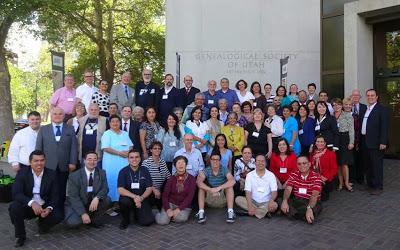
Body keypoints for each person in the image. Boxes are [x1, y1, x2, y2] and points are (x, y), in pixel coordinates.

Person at [9, 150, 63, 247]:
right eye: (36, 161)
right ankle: (20, 236)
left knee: (58, 214)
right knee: (14, 207)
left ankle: (43, 224)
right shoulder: (22, 173)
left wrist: (49, 208)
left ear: (45, 161)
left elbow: (55, 195)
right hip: (28, 205)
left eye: (42, 160)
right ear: (30, 162)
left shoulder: (52, 174)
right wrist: (32, 202)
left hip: (44, 205)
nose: (39, 163)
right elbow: (16, 193)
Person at [36, 107, 77, 210]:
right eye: (55, 114)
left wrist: (73, 162)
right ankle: (46, 210)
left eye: (60, 114)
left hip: (64, 165)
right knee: (47, 189)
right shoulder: (43, 129)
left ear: (63, 116)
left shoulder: (70, 129)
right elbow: (38, 148)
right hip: (48, 165)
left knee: (61, 189)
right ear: (51, 115)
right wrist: (38, 163)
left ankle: (60, 210)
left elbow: (73, 147)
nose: (57, 116)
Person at [64, 151, 111, 228]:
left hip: (92, 202)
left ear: (97, 161)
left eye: (95, 159)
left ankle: (93, 219)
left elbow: (105, 188)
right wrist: (83, 213)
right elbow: (73, 197)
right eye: (89, 159)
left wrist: (97, 198)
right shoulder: (74, 176)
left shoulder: (102, 173)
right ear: (84, 161)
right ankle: (84, 215)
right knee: (73, 223)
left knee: (107, 199)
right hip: (79, 202)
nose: (92, 162)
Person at [101, 115, 133, 213]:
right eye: (113, 121)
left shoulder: (125, 133)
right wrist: (119, 153)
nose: (115, 123)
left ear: (120, 123)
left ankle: (122, 203)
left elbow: (131, 145)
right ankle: (111, 204)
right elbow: (105, 148)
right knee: (112, 181)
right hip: (111, 164)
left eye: (117, 121)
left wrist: (128, 152)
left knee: (123, 181)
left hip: (124, 163)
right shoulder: (107, 134)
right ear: (109, 123)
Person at [361, 89, 388, 195]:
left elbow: (384, 127)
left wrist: (383, 142)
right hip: (365, 141)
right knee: (368, 164)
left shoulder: (382, 109)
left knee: (376, 165)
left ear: (376, 97)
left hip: (376, 142)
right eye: (368, 95)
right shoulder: (366, 109)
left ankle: (378, 186)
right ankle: (370, 185)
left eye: (372, 95)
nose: (370, 97)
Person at [196, 151, 236, 224]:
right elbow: (199, 182)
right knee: (201, 188)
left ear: (220, 161)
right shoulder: (207, 170)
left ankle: (230, 212)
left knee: (230, 187)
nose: (215, 161)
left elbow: (232, 181)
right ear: (210, 161)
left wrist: (219, 188)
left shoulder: (224, 169)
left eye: (217, 159)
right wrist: (210, 189)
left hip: (222, 198)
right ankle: (201, 212)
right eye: (213, 159)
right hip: (210, 197)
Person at [118, 149, 154, 229]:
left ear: (140, 159)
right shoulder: (123, 171)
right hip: (129, 199)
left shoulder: (145, 170)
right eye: (131, 157)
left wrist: (141, 198)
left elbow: (149, 188)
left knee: (147, 222)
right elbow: (120, 190)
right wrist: (135, 197)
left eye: (137, 157)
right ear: (128, 159)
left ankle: (137, 213)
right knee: (124, 201)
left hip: (142, 198)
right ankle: (126, 220)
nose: (134, 159)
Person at [281, 155, 322, 224]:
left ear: (309, 164)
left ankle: (294, 213)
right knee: (281, 199)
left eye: (304, 163)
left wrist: (309, 208)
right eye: (299, 164)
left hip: (310, 201)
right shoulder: (294, 174)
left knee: (315, 208)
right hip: (297, 200)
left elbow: (314, 195)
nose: (302, 165)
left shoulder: (316, 176)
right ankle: (302, 215)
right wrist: (285, 201)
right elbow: (288, 189)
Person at [155, 156, 196, 225]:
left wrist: (178, 209)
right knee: (162, 221)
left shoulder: (191, 179)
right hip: (171, 203)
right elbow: (165, 196)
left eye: (183, 162)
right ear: (175, 166)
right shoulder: (171, 179)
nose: (181, 164)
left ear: (186, 165)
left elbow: (189, 197)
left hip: (184, 206)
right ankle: (156, 213)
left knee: (181, 218)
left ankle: (170, 216)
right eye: (178, 163)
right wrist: (168, 209)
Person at [235, 154, 278, 219]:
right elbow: (248, 192)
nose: (260, 163)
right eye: (258, 161)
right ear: (255, 163)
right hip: (253, 201)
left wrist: (271, 201)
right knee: (238, 199)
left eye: (262, 161)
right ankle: (261, 213)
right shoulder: (250, 175)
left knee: (274, 205)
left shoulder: (271, 175)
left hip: (266, 202)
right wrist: (249, 205)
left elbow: (274, 191)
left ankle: (251, 212)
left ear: (266, 163)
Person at [332, 98, 355, 192]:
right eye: (334, 105)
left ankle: (346, 183)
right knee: (338, 163)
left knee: (344, 163)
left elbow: (351, 130)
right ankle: (340, 183)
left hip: (345, 139)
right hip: (335, 140)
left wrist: (351, 142)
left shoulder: (347, 115)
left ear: (342, 105)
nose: (336, 106)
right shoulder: (331, 115)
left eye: (338, 104)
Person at [142, 141, 171, 209]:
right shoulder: (146, 162)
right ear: (151, 150)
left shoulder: (163, 162)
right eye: (155, 148)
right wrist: (154, 189)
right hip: (149, 190)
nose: (157, 150)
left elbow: (168, 176)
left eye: (159, 148)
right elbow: (143, 179)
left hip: (161, 189)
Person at [309, 135, 338, 201]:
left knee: (323, 198)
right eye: (318, 141)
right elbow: (310, 167)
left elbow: (334, 169)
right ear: (315, 143)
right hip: (315, 177)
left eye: (322, 142)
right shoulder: (312, 153)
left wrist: (326, 177)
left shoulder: (331, 154)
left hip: (325, 179)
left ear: (325, 143)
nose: (319, 143)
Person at [351, 89, 367, 184]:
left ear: (360, 97)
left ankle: (360, 178)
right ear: (351, 97)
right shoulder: (348, 107)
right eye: (354, 95)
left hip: (361, 137)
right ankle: (352, 178)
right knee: (352, 158)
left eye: (357, 95)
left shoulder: (365, 107)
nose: (355, 97)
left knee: (361, 158)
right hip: (351, 137)